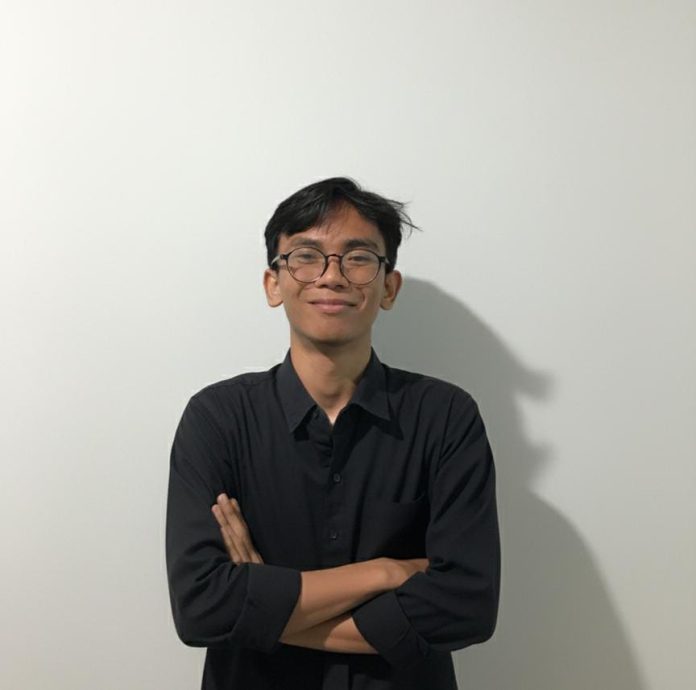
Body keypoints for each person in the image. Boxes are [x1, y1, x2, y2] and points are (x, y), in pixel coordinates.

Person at [165, 176, 501, 690]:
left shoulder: (445, 417)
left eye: (358, 258)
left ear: (389, 287)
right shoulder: (218, 418)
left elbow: (466, 607)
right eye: (306, 256)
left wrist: (260, 607)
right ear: (273, 283)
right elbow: (201, 608)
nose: (331, 276)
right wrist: (386, 573)